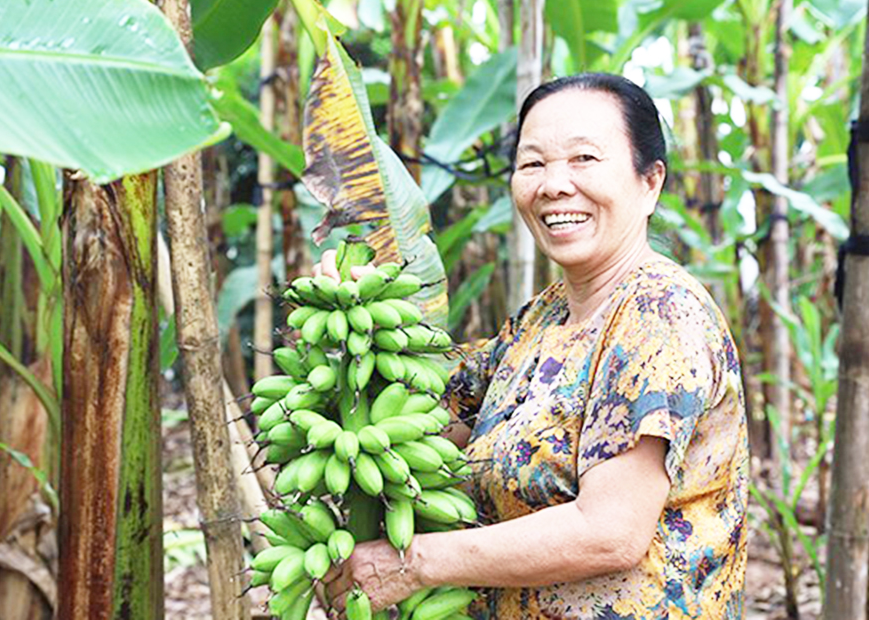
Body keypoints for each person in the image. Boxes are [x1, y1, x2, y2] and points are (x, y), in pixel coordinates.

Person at [321, 73, 749, 619]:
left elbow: (609, 531)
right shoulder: (538, 321)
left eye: (585, 159)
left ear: (650, 182)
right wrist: (353, 310)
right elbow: (423, 416)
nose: (554, 185)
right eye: (533, 164)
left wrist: (414, 562)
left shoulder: (660, 313)